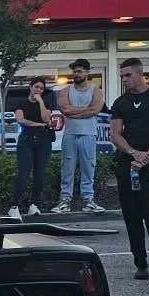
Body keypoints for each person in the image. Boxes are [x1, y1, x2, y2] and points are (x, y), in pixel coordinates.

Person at [109, 59, 149, 281]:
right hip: (128, 164)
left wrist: (148, 155)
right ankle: (141, 263)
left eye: (128, 75)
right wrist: (132, 153)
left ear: (140, 73)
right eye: (122, 76)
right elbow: (115, 134)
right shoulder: (120, 102)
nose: (124, 79)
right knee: (131, 216)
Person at [56, 58, 104, 213]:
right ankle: (65, 201)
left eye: (80, 71)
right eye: (75, 71)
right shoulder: (65, 91)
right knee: (67, 168)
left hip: (88, 134)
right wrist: (85, 110)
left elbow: (95, 110)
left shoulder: (96, 90)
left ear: (87, 72)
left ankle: (88, 200)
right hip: (70, 135)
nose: (76, 74)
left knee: (88, 168)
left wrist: (74, 111)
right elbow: (65, 110)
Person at [6, 76, 53, 220]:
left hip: (43, 141)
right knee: (24, 173)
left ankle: (34, 205)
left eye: (41, 88)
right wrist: (39, 125)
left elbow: (47, 119)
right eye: (36, 87)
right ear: (30, 87)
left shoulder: (45, 103)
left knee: (40, 173)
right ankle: (14, 207)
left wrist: (40, 102)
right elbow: (21, 120)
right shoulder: (21, 103)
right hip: (26, 140)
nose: (38, 90)